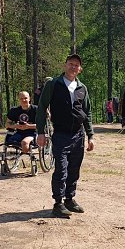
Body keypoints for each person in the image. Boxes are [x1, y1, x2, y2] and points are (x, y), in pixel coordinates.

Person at [36, 54, 94, 218]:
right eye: (70, 64)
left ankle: (69, 199)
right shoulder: (53, 84)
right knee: (61, 169)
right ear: (65, 65)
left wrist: (90, 135)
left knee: (74, 169)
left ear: (80, 69)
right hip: (61, 134)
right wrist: (40, 132)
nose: (73, 67)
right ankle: (58, 203)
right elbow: (42, 107)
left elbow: (87, 112)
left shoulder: (82, 88)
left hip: (78, 135)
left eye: (76, 65)